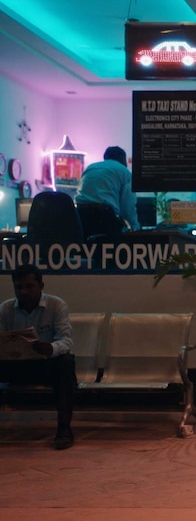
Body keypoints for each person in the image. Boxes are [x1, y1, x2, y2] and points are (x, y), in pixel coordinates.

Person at [0, 264, 76, 450]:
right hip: (16, 365)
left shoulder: (56, 305)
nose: (24, 292)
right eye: (18, 287)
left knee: (65, 363)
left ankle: (64, 428)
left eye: (29, 286)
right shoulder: (6, 309)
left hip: (45, 366)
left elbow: (66, 341)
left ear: (41, 286)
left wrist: (50, 348)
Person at [76, 145, 140, 232]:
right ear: (123, 160)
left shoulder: (91, 167)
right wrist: (136, 227)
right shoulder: (125, 172)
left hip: (80, 216)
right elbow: (128, 208)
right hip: (104, 218)